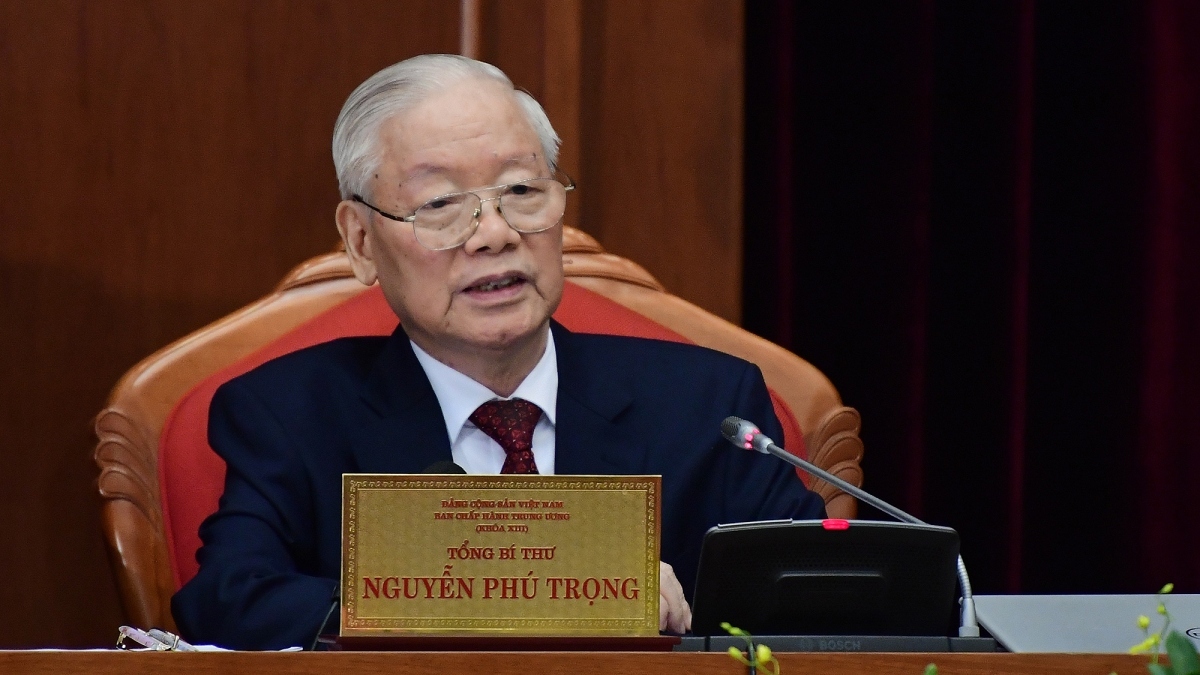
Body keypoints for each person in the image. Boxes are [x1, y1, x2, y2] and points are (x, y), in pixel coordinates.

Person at [171, 54, 825, 650]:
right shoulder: (290, 413)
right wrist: (534, 596)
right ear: (362, 242)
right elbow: (229, 602)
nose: (494, 234)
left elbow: (822, 604)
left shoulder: (708, 406)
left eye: (520, 191)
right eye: (440, 204)